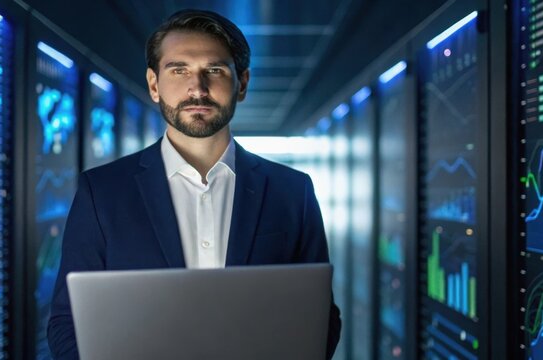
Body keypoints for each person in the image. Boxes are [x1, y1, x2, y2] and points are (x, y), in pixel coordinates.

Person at [47, 9, 341, 359]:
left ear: (242, 83)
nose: (197, 88)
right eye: (179, 70)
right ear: (155, 85)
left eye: (214, 70)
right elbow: (67, 324)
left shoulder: (293, 192)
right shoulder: (102, 192)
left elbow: (322, 318)